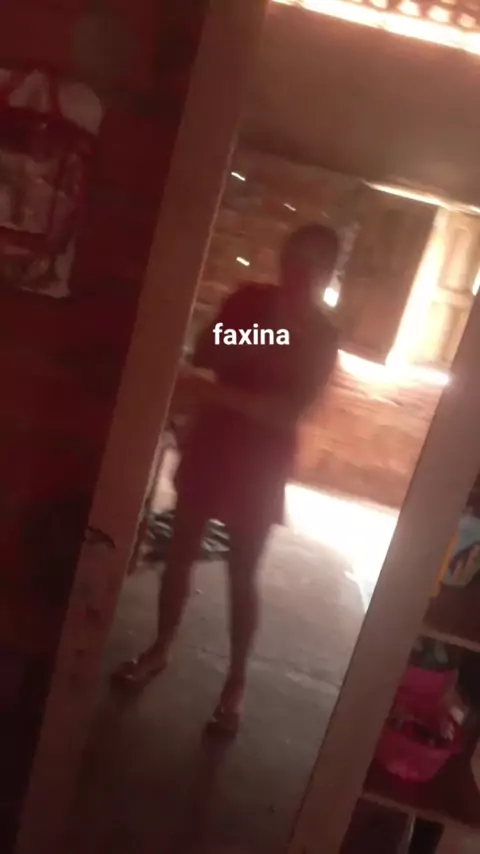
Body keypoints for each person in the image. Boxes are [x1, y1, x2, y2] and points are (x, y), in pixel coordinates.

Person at [113, 224, 340, 736]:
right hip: (214, 445)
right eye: (293, 257)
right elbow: (206, 354)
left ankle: (235, 683)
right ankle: (160, 648)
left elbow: (286, 412)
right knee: (180, 552)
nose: (299, 271)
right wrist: (269, 333)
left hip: (262, 462)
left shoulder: (322, 337)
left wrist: (218, 392)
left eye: (313, 263)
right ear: (282, 259)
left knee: (243, 572)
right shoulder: (250, 301)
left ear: (329, 274)